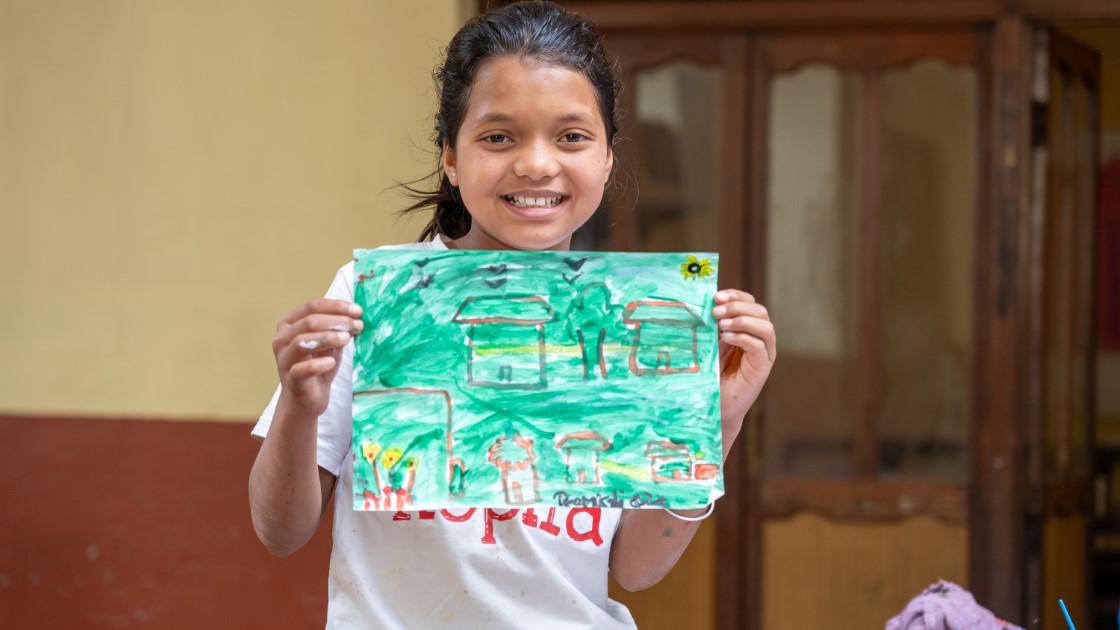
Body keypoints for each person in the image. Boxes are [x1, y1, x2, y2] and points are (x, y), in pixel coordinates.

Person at [247, 2, 777, 627]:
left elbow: (637, 569)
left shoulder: (636, 322)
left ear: (608, 156)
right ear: (450, 155)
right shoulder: (372, 300)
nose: (535, 163)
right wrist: (299, 409)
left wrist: (719, 417)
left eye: (572, 136)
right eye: (498, 136)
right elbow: (279, 532)